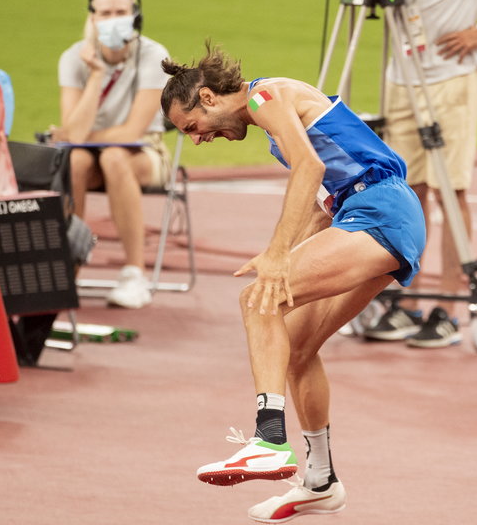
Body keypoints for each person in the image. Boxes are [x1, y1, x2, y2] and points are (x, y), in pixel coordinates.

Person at [160, 43, 425, 521]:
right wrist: (283, 254)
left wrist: (279, 257)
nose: (198, 139)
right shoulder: (271, 123)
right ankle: (320, 480)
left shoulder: (266, 98)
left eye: (192, 128)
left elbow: (312, 168)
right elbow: (322, 201)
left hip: (379, 210)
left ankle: (268, 442)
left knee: (259, 301)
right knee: (296, 350)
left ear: (208, 97)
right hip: (370, 215)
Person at [363, 0, 477, 348]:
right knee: (405, 191)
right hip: (402, 74)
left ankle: (447, 308)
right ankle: (407, 304)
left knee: (449, 189)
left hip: (451, 75)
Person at [51, 0, 171, 308]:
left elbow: (132, 132)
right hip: (87, 155)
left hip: (146, 151)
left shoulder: (153, 55)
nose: (113, 19)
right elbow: (73, 137)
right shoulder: (72, 58)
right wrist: (96, 75)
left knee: (114, 156)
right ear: (91, 18)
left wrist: (78, 135)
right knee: (73, 160)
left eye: (121, 12)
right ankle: (69, 271)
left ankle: (135, 275)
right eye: (105, 13)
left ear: (135, 16)